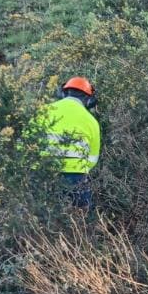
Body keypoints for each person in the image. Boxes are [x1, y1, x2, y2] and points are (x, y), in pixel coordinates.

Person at [37, 76, 101, 210]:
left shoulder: (43, 111)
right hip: (75, 175)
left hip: (43, 172)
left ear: (62, 93)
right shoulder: (91, 121)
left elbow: (26, 142)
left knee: (39, 213)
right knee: (82, 214)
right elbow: (93, 158)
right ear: (89, 100)